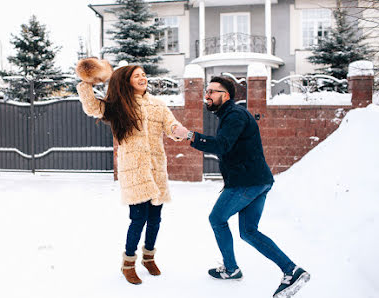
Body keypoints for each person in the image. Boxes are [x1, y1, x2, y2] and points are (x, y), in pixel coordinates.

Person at [173, 76, 310, 297]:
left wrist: (189, 135)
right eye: (206, 91)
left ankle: (231, 268)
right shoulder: (230, 115)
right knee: (248, 231)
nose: (206, 95)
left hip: (246, 182)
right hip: (258, 181)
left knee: (217, 219)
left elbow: (222, 146)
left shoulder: (234, 115)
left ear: (225, 95)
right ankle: (290, 270)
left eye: (211, 91)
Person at [76, 60, 183, 285]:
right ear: (127, 81)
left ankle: (149, 257)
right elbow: (92, 108)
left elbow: (170, 125)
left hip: (156, 168)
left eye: (144, 74)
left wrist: (177, 130)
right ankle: (128, 263)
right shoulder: (117, 105)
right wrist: (86, 84)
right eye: (137, 76)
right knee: (138, 219)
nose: (142, 78)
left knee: (155, 218)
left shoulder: (158, 105)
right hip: (134, 171)